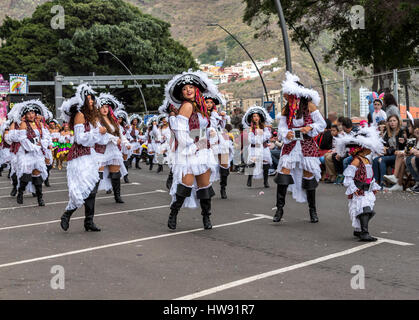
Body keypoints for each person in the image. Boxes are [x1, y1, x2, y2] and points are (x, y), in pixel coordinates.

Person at [164, 70, 219, 230]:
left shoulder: (201, 107)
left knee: (204, 187)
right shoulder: (187, 106)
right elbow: (180, 132)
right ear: (181, 93)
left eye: (191, 87)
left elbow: (204, 129)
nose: (188, 90)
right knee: (185, 185)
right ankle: (173, 213)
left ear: (196, 89)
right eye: (184, 88)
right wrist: (193, 145)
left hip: (202, 150)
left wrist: (210, 133)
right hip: (189, 151)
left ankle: (206, 218)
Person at [273, 72, 326, 223]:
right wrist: (286, 134)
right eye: (286, 96)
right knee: (284, 173)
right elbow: (282, 128)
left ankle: (312, 211)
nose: (287, 98)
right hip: (291, 146)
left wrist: (308, 128)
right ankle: (279, 209)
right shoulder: (286, 109)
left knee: (308, 175)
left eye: (289, 95)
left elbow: (322, 124)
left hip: (307, 146)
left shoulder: (309, 105)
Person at [59, 84, 108, 232]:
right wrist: (97, 132)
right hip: (79, 155)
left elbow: (98, 137)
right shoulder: (80, 115)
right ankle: (67, 214)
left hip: (90, 154)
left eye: (92, 99)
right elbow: (80, 139)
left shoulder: (94, 117)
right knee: (81, 189)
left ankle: (89, 222)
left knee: (92, 189)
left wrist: (104, 133)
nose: (91, 102)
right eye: (88, 99)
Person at [335, 125, 384, 241]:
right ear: (362, 148)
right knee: (364, 210)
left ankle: (358, 230)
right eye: (368, 147)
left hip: (367, 190)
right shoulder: (357, 160)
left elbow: (369, 175)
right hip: (359, 189)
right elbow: (348, 176)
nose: (370, 149)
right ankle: (364, 233)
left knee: (364, 209)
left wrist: (373, 186)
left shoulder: (366, 159)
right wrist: (353, 188)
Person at [14, 100, 50, 206]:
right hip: (27, 154)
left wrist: (43, 143)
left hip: (38, 153)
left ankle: (40, 198)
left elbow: (46, 136)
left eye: (33, 113)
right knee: (26, 176)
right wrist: (34, 147)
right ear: (25, 114)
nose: (31, 115)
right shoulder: (23, 124)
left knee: (37, 175)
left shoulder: (39, 124)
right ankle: (20, 192)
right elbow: (23, 140)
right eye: (29, 113)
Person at [97, 93, 131, 203]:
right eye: (102, 107)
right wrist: (114, 139)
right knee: (97, 175)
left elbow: (120, 134)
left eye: (106, 106)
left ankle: (117, 196)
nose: (104, 109)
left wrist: (126, 143)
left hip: (113, 150)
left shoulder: (113, 121)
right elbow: (100, 135)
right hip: (101, 150)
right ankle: (89, 196)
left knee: (115, 174)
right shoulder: (96, 121)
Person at [205, 93, 233, 199]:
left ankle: (223, 188)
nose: (209, 104)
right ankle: (207, 187)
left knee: (225, 165)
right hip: (208, 140)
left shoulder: (216, 114)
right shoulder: (201, 115)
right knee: (209, 165)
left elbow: (222, 126)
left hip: (221, 139)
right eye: (207, 102)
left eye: (211, 102)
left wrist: (223, 118)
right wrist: (209, 132)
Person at [372, 114, 406, 187]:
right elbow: (384, 144)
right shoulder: (387, 132)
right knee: (375, 160)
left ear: (398, 122)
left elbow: (402, 147)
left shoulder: (401, 131)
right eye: (390, 121)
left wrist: (403, 142)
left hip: (398, 155)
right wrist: (384, 148)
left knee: (381, 160)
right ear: (388, 123)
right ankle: (376, 182)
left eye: (394, 121)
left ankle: (382, 183)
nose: (392, 122)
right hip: (389, 154)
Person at [243, 106, 273, 188]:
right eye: (254, 116)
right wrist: (259, 138)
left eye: (257, 116)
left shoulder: (265, 127)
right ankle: (249, 179)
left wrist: (261, 138)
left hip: (263, 148)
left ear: (260, 117)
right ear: (251, 118)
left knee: (265, 163)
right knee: (252, 163)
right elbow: (251, 139)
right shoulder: (250, 128)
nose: (255, 118)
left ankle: (266, 181)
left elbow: (267, 136)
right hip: (254, 148)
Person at [114, 107, 132, 183]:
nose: (119, 120)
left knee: (125, 160)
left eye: (121, 119)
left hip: (123, 144)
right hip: (116, 145)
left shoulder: (124, 127)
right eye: (118, 119)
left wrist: (127, 143)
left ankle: (125, 176)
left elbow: (125, 136)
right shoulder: (113, 126)